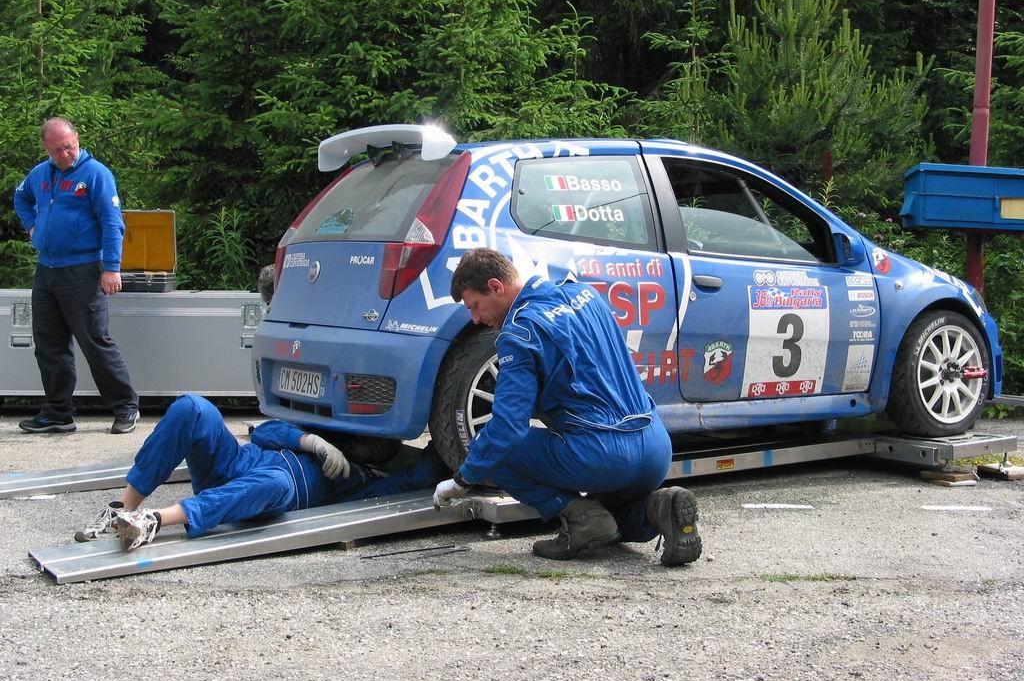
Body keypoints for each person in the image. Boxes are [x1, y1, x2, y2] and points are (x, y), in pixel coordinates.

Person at [432, 248, 702, 567]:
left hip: (604, 455)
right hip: (655, 447)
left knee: (489, 447)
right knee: (612, 520)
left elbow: (508, 429)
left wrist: (462, 480)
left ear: (495, 286)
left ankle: (579, 518)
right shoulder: (584, 293)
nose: (475, 319)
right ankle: (659, 509)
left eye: (474, 306)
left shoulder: (520, 332)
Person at [76, 393, 449, 552]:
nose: (373, 443)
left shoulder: (372, 482)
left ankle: (154, 521)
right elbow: (266, 431)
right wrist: (311, 442)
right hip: (234, 464)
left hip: (272, 494)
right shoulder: (326, 433)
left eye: (383, 443)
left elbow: (434, 464)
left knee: (277, 481)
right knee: (193, 407)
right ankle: (121, 509)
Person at [13, 117, 139, 435]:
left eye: (69, 146)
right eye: (58, 150)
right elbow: (21, 197)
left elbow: (113, 223)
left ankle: (126, 406)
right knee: (49, 344)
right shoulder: (40, 174)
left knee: (94, 341)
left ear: (77, 138)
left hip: (84, 270)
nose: (66, 154)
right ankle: (58, 412)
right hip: (47, 271)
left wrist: (111, 268)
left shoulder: (96, 174)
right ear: (46, 148)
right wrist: (32, 226)